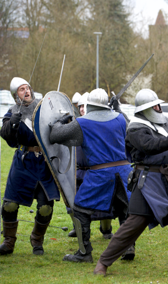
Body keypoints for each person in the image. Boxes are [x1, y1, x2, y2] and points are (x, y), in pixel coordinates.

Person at [93, 89, 168, 278]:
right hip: (147, 179)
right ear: (145, 109)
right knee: (135, 222)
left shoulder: (164, 123)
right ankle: (103, 262)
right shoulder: (136, 128)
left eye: (157, 104)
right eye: (153, 106)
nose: (157, 108)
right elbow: (151, 146)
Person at [49, 88, 132, 263]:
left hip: (101, 172)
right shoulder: (119, 118)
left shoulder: (82, 122)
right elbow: (129, 128)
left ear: (90, 105)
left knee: (80, 209)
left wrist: (59, 122)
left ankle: (84, 252)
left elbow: (55, 135)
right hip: (124, 171)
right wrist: (118, 109)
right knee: (124, 209)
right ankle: (128, 246)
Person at [0, 77, 59, 256]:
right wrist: (13, 123)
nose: (26, 91)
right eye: (21, 89)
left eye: (27, 88)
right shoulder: (12, 112)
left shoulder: (44, 109)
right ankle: (9, 241)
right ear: (15, 95)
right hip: (24, 162)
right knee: (9, 204)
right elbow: (6, 136)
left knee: (45, 207)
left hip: (45, 163)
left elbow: (59, 128)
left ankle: (37, 240)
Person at [66, 92, 115, 241]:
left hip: (98, 171)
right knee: (74, 203)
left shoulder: (102, 125)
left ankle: (106, 230)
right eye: (80, 106)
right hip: (79, 171)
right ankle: (78, 228)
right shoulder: (76, 123)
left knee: (104, 205)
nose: (82, 109)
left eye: (85, 106)